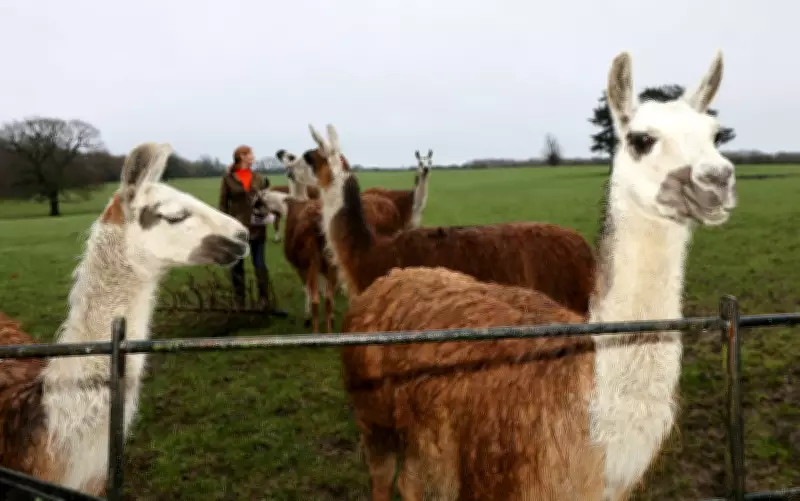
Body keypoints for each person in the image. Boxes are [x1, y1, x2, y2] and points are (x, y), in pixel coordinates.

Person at [219, 145, 286, 316]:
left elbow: (265, 197)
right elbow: (222, 205)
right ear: (242, 156)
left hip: (257, 227)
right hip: (237, 229)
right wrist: (224, 227)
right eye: (250, 154)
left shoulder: (259, 177)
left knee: (260, 265)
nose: (253, 157)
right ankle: (240, 303)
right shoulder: (228, 179)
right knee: (237, 267)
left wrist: (268, 214)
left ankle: (264, 302)